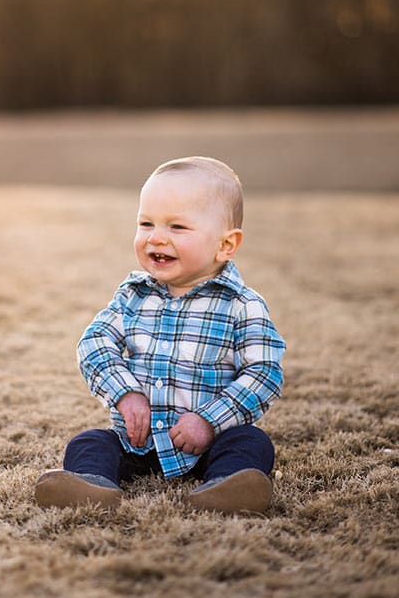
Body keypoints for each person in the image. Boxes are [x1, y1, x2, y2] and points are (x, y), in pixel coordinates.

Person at [35, 156, 285, 515]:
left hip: (211, 440)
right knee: (89, 442)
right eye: (146, 223)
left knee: (251, 443)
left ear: (225, 245)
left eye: (177, 227)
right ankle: (91, 485)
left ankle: (227, 488)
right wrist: (126, 394)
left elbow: (264, 373)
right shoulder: (132, 295)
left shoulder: (242, 305)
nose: (156, 237)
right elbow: (95, 343)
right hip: (137, 442)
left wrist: (208, 420)